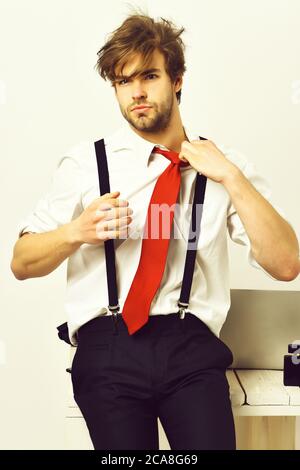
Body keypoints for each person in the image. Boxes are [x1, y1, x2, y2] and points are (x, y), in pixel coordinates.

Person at [10, 12, 299, 451]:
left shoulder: (224, 165)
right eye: (124, 82)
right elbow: (21, 261)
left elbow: (286, 264)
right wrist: (76, 232)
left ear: (177, 79)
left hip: (191, 347)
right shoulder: (88, 163)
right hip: (107, 346)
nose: (137, 92)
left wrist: (232, 177)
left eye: (149, 75)